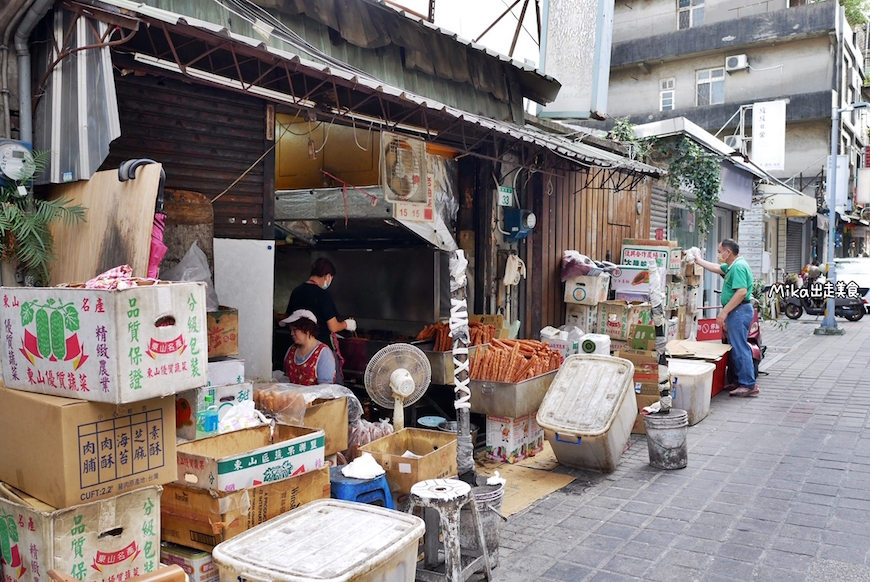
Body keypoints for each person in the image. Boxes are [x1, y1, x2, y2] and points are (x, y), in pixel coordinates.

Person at [694, 238, 758, 397]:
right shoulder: (732, 266)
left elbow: (741, 291)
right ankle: (739, 380)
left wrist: (724, 312)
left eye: (719, 251)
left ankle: (748, 384)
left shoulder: (738, 267)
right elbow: (716, 267)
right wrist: (698, 260)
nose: (718, 254)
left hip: (739, 311)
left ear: (728, 252)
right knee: (735, 348)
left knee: (740, 347)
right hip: (737, 311)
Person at [284, 258, 356, 382]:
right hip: (319, 348)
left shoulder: (296, 292)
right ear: (327, 276)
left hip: (299, 348)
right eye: (331, 278)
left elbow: (287, 315)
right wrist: (346, 324)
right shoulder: (323, 295)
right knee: (329, 387)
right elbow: (333, 327)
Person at [280, 310, 336, 385]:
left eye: (295, 330)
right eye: (291, 330)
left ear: (308, 329)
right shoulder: (291, 350)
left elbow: (325, 389)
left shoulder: (323, 353)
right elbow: (286, 377)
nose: (292, 333)